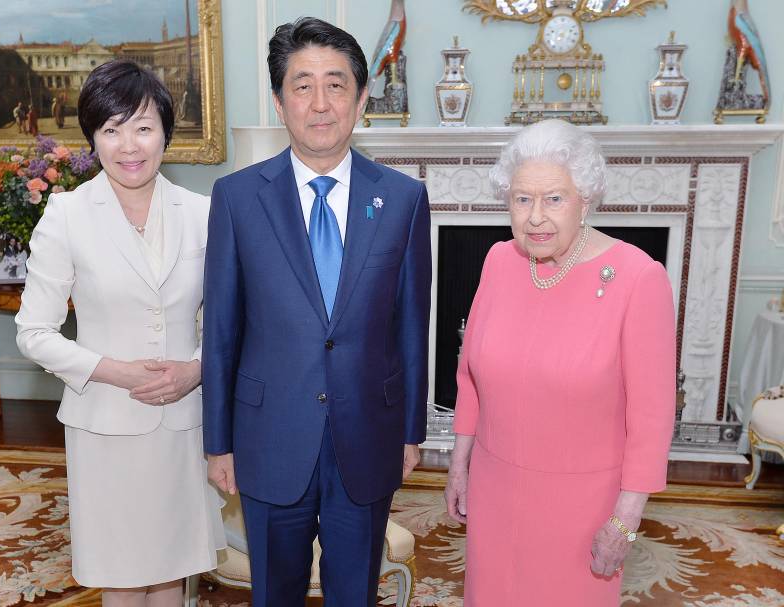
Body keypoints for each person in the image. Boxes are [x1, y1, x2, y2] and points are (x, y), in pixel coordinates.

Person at [203, 17, 431, 607]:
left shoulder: (403, 199)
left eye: (337, 84)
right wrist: (218, 441)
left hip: (368, 436)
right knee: (274, 592)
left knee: (355, 592)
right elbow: (223, 331)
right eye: (303, 85)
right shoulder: (237, 198)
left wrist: (410, 431)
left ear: (360, 98)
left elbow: (412, 326)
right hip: (269, 435)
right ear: (280, 103)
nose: (321, 102)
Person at [16, 59, 225, 607]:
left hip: (184, 422)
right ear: (93, 138)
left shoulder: (203, 213)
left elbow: (230, 320)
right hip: (105, 422)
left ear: (165, 134)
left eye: (143, 127)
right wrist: (116, 370)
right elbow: (34, 332)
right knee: (124, 572)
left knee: (173, 569)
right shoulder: (66, 215)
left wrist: (197, 368)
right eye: (112, 129)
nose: (129, 145)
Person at [443, 119, 676, 607]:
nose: (535, 218)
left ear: (585, 199)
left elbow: (652, 416)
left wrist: (626, 518)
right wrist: (459, 465)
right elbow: (471, 376)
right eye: (522, 199)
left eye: (554, 198)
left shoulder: (638, 278)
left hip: (581, 506)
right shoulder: (499, 261)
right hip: (495, 487)